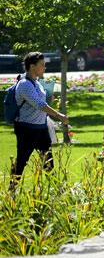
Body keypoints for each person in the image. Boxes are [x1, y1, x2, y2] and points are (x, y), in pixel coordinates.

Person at [10, 52, 68, 184]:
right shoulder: (24, 84)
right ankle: (11, 193)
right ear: (32, 66)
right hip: (26, 128)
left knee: (48, 162)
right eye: (42, 65)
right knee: (21, 162)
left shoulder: (37, 83)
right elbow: (39, 104)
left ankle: (56, 194)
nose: (44, 68)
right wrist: (58, 115)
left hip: (40, 128)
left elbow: (43, 102)